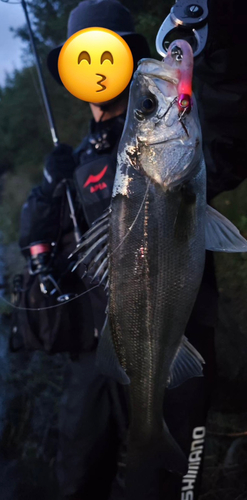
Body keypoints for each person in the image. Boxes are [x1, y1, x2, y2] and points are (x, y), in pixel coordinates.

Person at [18, 0, 247, 499]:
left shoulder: (179, 129)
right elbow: (37, 236)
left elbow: (230, 127)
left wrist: (219, 36)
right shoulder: (74, 161)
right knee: (77, 480)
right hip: (94, 356)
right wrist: (45, 188)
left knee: (164, 487)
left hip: (174, 344)